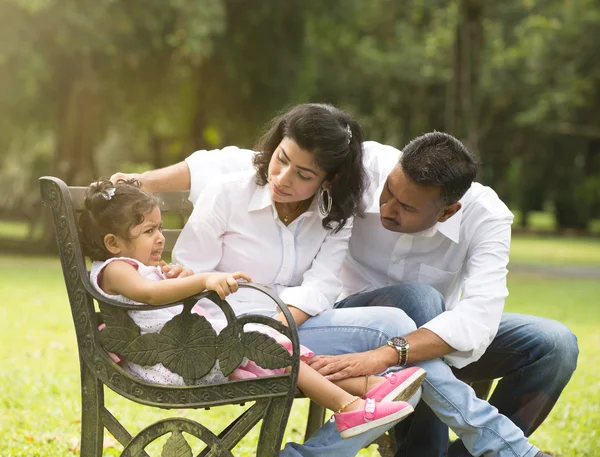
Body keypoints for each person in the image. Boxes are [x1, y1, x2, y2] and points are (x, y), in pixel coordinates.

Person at [111, 104, 557, 457]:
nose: (284, 178)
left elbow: (324, 286)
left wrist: (285, 319)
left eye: (304, 174)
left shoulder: (334, 211)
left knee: (412, 340)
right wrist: (137, 180)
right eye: (281, 161)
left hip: (302, 325)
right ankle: (512, 450)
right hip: (229, 331)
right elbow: (199, 263)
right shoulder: (235, 192)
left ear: (329, 179)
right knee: (403, 328)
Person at [79, 177, 421, 440]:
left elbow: (156, 293)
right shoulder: (116, 269)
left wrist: (180, 275)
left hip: (193, 344)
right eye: (148, 230)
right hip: (174, 359)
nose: (159, 238)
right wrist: (200, 280)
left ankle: (370, 387)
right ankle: (351, 407)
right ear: (113, 243)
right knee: (264, 339)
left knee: (274, 344)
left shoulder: (136, 267)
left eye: (159, 227)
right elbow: (151, 296)